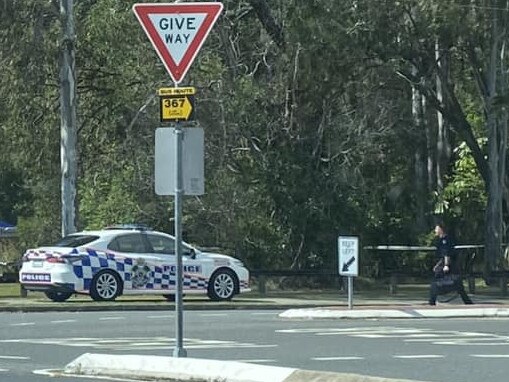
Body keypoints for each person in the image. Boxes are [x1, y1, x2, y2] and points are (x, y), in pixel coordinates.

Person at [428, 223, 473, 305]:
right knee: (457, 285)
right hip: (445, 264)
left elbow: (446, 254)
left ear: (441, 229)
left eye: (436, 228)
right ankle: (467, 301)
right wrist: (438, 265)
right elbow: (442, 255)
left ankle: (432, 301)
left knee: (436, 283)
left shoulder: (445, 240)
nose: (435, 230)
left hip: (449, 265)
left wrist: (446, 265)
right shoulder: (441, 240)